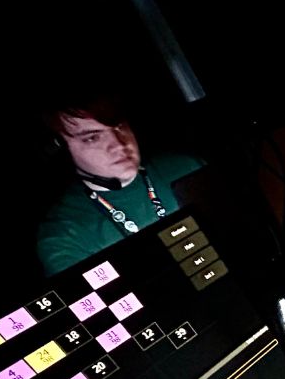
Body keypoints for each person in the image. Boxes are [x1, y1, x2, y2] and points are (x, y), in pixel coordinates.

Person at [36, 93, 203, 275]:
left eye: (118, 126)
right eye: (92, 138)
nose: (118, 144)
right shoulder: (64, 235)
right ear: (64, 153)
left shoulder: (186, 167)